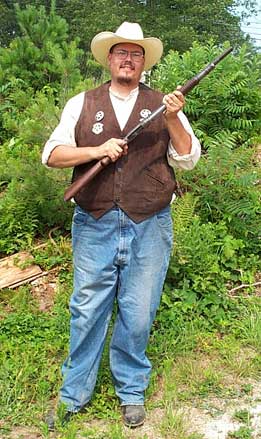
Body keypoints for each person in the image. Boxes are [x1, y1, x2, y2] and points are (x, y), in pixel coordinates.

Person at [42, 21, 201, 430]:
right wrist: (97, 149)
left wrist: (174, 119)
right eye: (121, 53)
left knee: (139, 311)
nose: (128, 59)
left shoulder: (165, 104)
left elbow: (188, 158)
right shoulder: (82, 103)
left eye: (135, 54)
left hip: (150, 222)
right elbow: (53, 155)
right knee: (86, 309)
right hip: (94, 221)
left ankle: (131, 391)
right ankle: (73, 395)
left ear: (143, 62)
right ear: (109, 59)